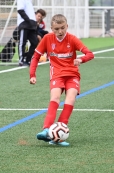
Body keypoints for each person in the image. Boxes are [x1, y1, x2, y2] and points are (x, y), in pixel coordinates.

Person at [29, 14, 94, 146]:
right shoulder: (47, 39)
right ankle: (46, 130)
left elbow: (90, 54)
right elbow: (35, 57)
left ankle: (58, 135)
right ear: (52, 29)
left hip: (72, 75)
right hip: (57, 74)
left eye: (62, 28)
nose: (60, 31)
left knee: (70, 100)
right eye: (56, 29)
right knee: (55, 98)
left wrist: (81, 59)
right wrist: (32, 75)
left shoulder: (72, 39)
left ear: (67, 26)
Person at [17, 0, 38, 66]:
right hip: (24, 24)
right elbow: (20, 10)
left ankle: (28, 59)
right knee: (22, 43)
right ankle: (21, 60)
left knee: (34, 42)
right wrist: (28, 20)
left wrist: (34, 23)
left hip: (31, 25)